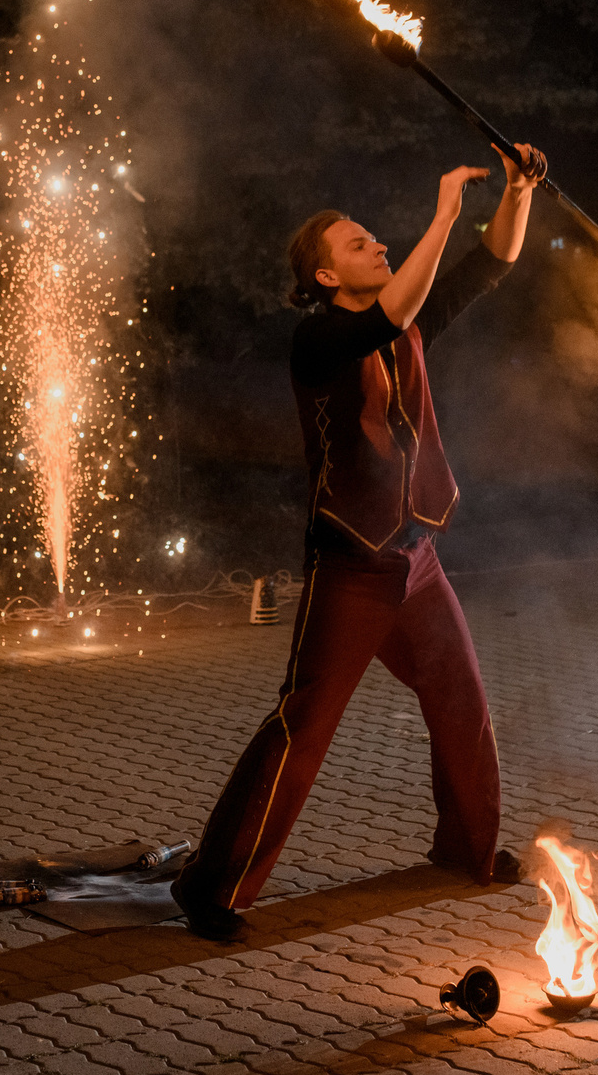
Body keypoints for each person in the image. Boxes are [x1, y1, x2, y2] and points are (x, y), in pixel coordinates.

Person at [171, 143, 550, 942]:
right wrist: (443, 210)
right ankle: (213, 885)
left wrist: (516, 192)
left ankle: (465, 851)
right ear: (326, 278)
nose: (377, 244)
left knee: (463, 701)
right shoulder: (316, 340)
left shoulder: (401, 322)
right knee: (302, 725)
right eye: (357, 244)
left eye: (375, 237)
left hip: (415, 559)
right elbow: (394, 311)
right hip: (350, 565)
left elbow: (492, 264)